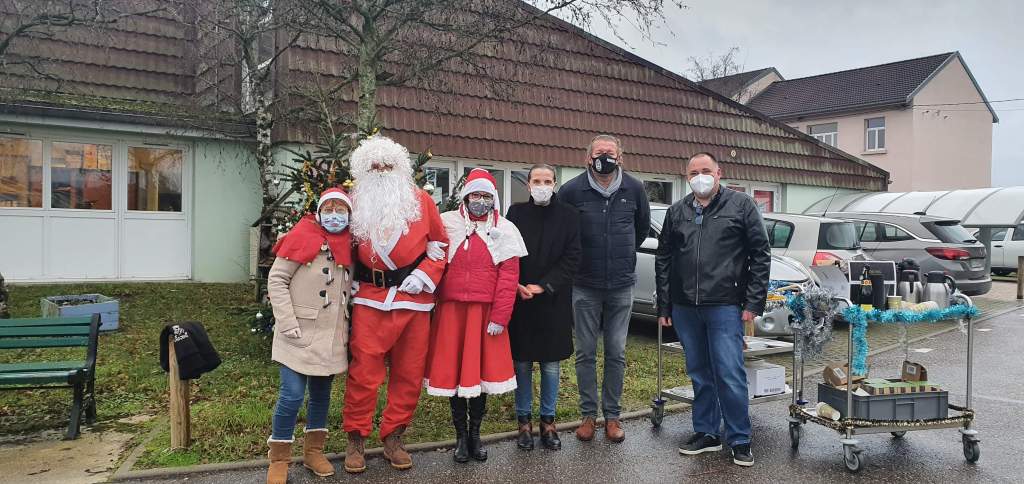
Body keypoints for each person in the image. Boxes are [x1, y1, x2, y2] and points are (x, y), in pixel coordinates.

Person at [654, 152, 771, 467]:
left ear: (719, 173)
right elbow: (663, 257)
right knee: (699, 373)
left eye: (706, 170)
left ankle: (740, 438)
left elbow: (760, 253)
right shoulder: (677, 211)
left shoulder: (741, 206)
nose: (700, 176)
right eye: (694, 172)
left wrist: (753, 302)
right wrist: (664, 304)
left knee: (729, 373)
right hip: (684, 307)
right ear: (686, 176)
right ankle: (706, 432)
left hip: (724, 304)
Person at [342, 136, 449, 473]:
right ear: (364, 169)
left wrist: (426, 275)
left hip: (412, 301)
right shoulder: (354, 201)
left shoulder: (420, 202)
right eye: (375, 166)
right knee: (363, 372)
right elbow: (337, 242)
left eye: (388, 165)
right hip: (369, 299)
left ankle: (393, 437)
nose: (382, 171)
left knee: (409, 371)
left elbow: (440, 244)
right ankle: (356, 438)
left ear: (400, 168)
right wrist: (350, 277)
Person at [423, 168, 527, 463]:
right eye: (475, 195)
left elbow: (509, 278)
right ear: (466, 196)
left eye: (485, 196)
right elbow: (433, 263)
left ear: (492, 198)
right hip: (452, 312)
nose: (479, 200)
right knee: (456, 374)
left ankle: (475, 435)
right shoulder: (447, 224)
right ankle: (460, 437)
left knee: (480, 376)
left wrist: (500, 316)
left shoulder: (505, 230)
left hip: (486, 314)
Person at [558, 134, 650, 443]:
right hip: (584, 285)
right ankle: (588, 416)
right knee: (585, 352)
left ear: (620, 157)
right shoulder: (571, 191)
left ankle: (612, 417)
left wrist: (621, 255)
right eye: (599, 153)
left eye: (610, 153)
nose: (605, 158)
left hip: (621, 285)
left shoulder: (634, 189)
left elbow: (641, 229)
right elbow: (565, 235)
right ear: (588, 158)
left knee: (616, 352)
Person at [265, 187, 354, 484]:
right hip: (298, 332)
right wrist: (286, 320)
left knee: (320, 396)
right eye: (328, 210)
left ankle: (313, 452)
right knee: (290, 395)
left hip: (331, 336)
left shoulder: (349, 245)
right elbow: (277, 279)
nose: (333, 216)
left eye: (340, 210)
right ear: (318, 212)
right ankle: (279, 459)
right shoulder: (302, 237)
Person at [505, 164, 581, 451]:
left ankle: (548, 423)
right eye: (536, 180)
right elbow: (507, 252)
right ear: (527, 184)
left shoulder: (570, 215)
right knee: (521, 364)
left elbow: (573, 257)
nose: (541, 185)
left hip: (553, 300)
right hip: (521, 299)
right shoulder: (516, 213)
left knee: (550, 366)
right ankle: (523, 423)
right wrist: (516, 283)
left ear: (555, 184)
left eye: (547, 180)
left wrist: (545, 285)